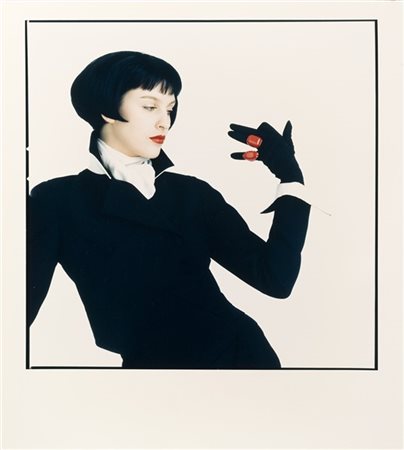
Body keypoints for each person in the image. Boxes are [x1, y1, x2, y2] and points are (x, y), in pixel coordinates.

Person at [28, 50, 311, 369]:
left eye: (170, 108)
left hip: (242, 360)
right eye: (150, 106)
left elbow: (275, 279)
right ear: (107, 109)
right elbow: (17, 313)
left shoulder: (192, 194)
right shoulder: (56, 200)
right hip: (149, 377)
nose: (165, 121)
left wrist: (290, 177)